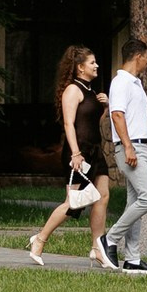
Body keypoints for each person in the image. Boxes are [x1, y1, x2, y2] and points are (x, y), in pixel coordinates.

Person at [28, 46, 111, 267]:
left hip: (95, 149)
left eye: (96, 62)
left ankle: (97, 248)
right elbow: (69, 124)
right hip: (79, 151)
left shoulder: (91, 91)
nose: (97, 66)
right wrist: (75, 153)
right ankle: (39, 239)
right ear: (80, 67)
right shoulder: (72, 90)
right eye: (92, 63)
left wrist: (105, 107)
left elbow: (93, 123)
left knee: (102, 197)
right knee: (73, 204)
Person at [102, 39, 147, 275]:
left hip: (144, 148)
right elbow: (117, 115)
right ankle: (109, 239)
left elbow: (144, 120)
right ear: (138, 56)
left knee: (135, 203)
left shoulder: (137, 85)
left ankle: (132, 258)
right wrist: (128, 147)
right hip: (131, 150)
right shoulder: (120, 82)